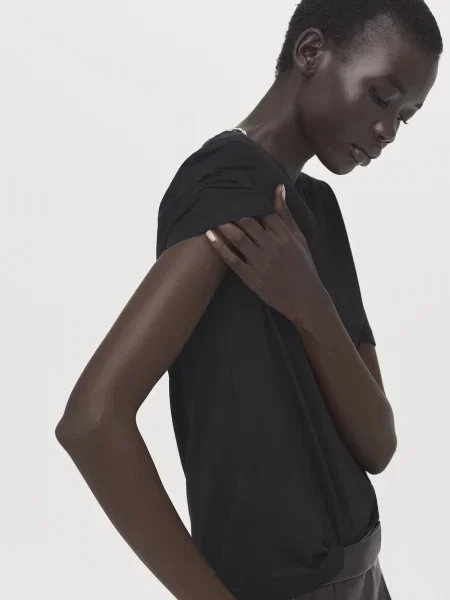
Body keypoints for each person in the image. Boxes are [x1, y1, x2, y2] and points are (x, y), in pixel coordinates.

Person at [55, 1, 442, 599]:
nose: (388, 130)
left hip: (367, 577)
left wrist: (309, 304)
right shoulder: (231, 188)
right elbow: (92, 421)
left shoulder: (317, 209)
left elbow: (378, 443)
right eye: (381, 97)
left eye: (405, 117)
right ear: (311, 52)